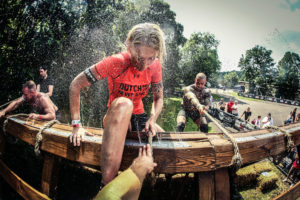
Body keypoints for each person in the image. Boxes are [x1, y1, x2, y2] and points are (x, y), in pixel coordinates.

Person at [69, 23, 166, 186]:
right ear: (129, 46)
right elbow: (75, 85)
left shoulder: (155, 66)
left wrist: (152, 119)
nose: (145, 64)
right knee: (124, 104)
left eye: (151, 58)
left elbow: (159, 99)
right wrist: (76, 125)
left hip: (139, 118)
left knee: (168, 144)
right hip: (115, 115)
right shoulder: (115, 62)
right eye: (140, 57)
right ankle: (106, 184)